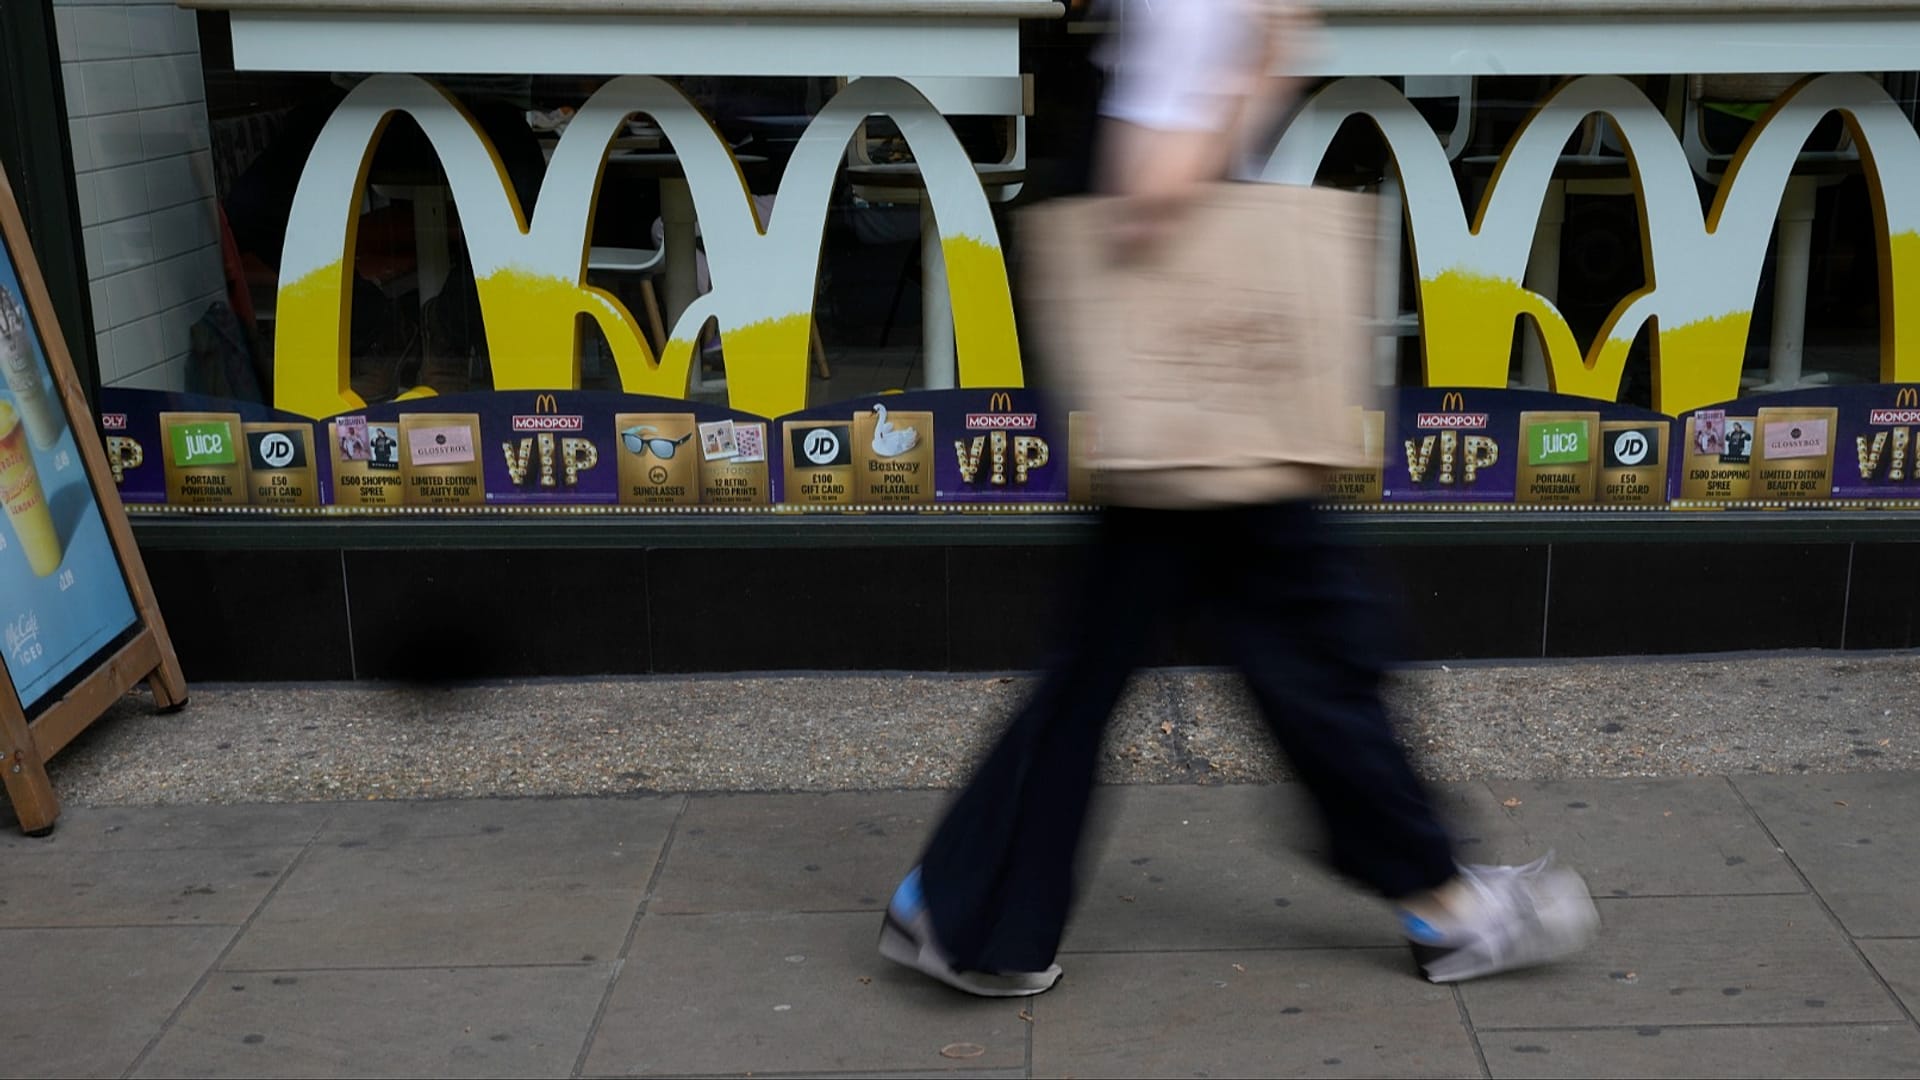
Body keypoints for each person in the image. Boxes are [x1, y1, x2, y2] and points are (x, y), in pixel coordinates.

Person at [879, 0, 1599, 997]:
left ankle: (963, 909)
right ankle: (1442, 903)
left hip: (1183, 383)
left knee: (1128, 650)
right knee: (1314, 637)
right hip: (1206, 370)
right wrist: (1259, 68)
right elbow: (1150, 185)